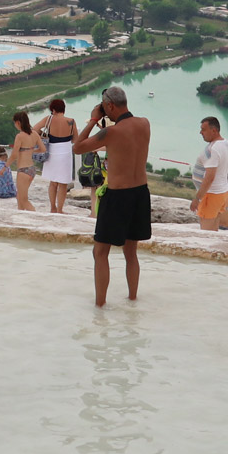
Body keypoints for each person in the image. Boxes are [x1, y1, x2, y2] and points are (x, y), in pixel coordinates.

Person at [74, 88, 151, 307]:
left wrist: (92, 119)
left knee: (100, 252)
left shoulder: (112, 133)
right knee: (131, 252)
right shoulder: (145, 123)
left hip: (118, 195)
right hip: (140, 192)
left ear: (109, 106)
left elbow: (77, 148)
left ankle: (100, 305)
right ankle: (133, 298)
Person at [189, 115, 228, 229]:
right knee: (214, 228)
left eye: (203, 129)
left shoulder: (212, 149)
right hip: (222, 193)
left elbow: (210, 177)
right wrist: (226, 187)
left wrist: (197, 199)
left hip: (211, 194)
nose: (201, 132)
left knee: (206, 231)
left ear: (214, 130)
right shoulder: (227, 144)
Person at [40, 98, 77, 214]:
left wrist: (45, 135)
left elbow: (34, 129)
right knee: (63, 183)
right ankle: (60, 210)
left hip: (52, 151)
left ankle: (52, 208)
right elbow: (76, 139)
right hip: (65, 151)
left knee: (53, 182)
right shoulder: (71, 121)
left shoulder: (49, 119)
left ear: (53, 110)